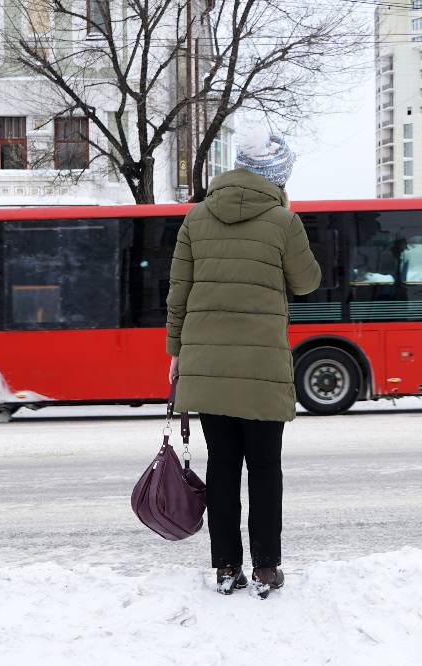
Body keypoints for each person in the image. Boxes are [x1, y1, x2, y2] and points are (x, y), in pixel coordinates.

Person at [165, 125, 321, 598]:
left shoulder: (196, 217)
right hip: (261, 371)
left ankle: (226, 567)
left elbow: (179, 293)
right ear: (276, 175)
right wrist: (287, 220)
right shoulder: (282, 222)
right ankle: (267, 568)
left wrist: (175, 353)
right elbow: (308, 282)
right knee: (265, 469)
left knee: (223, 468)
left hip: (208, 366)